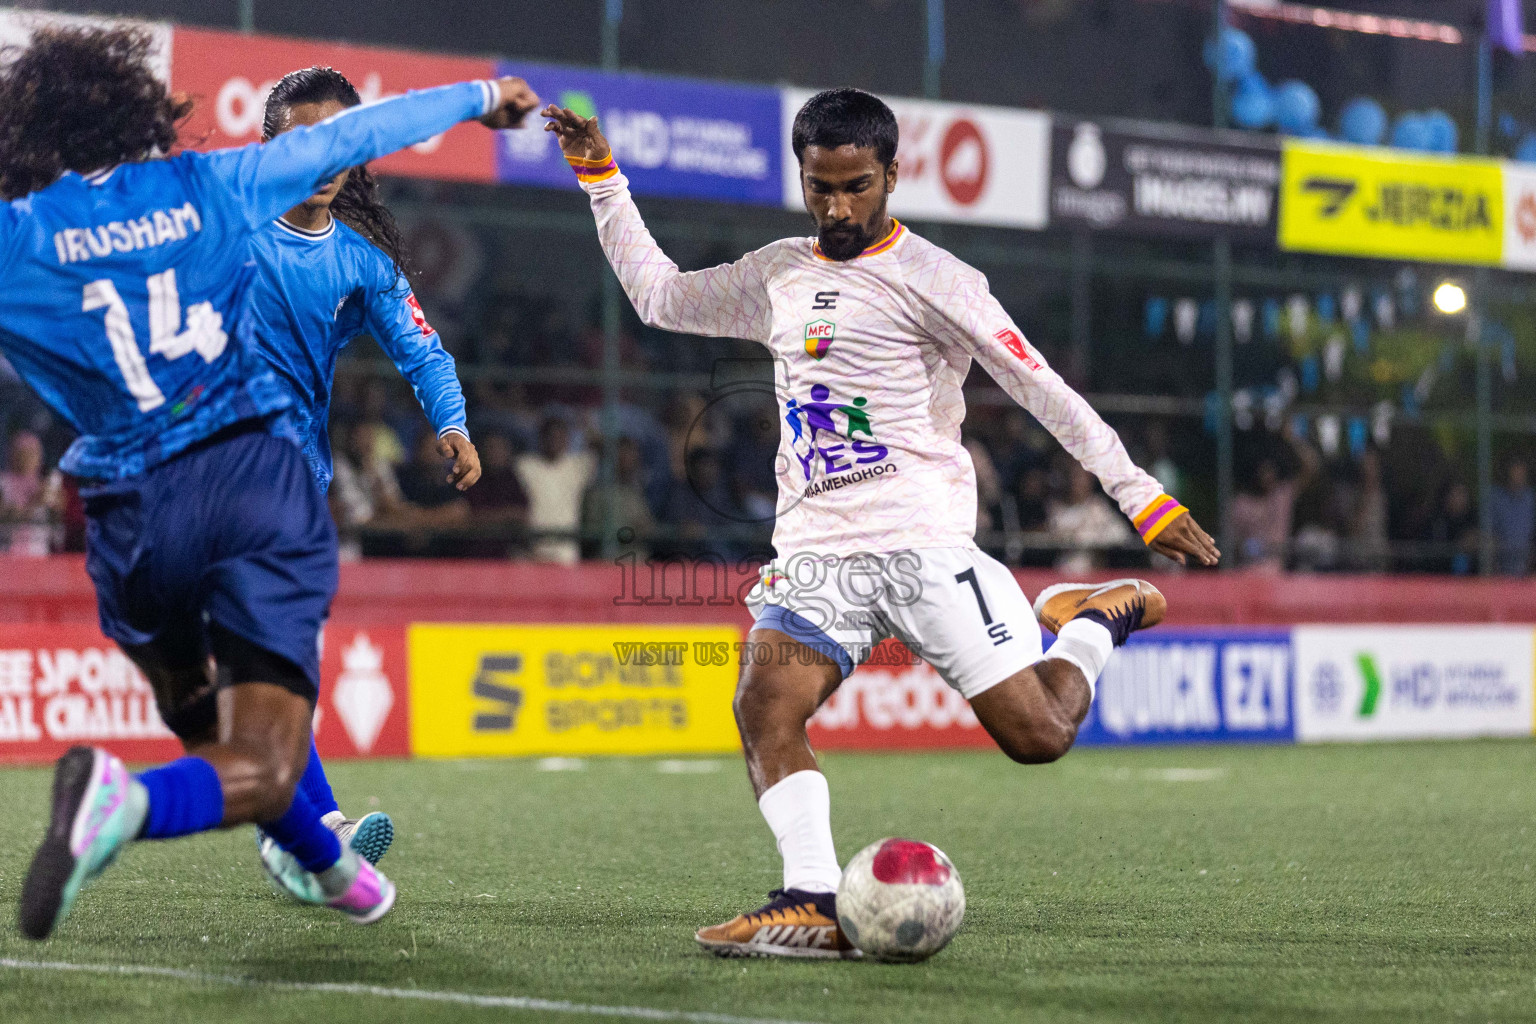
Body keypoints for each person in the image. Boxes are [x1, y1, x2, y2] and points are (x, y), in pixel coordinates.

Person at [544, 88, 1218, 959]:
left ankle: (1090, 619)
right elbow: (661, 299)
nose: (836, 208)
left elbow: (1040, 386)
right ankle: (812, 901)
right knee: (765, 702)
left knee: (1040, 737)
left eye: (856, 186)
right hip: (820, 550)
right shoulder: (780, 272)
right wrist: (602, 179)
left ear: (894, 175)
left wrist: (1139, 496)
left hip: (924, 541)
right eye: (819, 187)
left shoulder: (939, 280)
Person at [0, 24, 538, 940]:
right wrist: (484, 96)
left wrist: (449, 418)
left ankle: (321, 857)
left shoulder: (18, 242)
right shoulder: (212, 190)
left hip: (125, 506)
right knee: (258, 728)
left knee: (201, 710)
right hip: (258, 478)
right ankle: (150, 809)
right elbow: (360, 133)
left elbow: (414, 331)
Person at [243, 65, 483, 873]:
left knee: (272, 667)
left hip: (294, 489)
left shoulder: (362, 262)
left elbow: (422, 349)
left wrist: (450, 420)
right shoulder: (221, 226)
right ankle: (313, 835)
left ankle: (296, 836)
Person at [515, 415, 595, 565]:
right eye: (550, 436)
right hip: (534, 548)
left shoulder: (577, 466)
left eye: (560, 436)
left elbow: (604, 448)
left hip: (566, 550)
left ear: (567, 439)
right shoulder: (525, 465)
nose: (554, 441)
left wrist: (587, 428)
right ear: (541, 438)